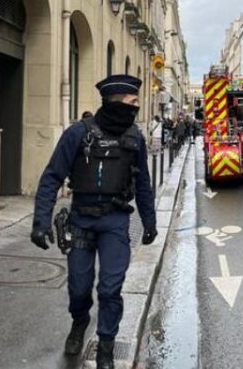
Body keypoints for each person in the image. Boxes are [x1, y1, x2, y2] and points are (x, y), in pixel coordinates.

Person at [30, 74, 158, 369]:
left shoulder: (134, 138)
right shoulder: (78, 133)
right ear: (117, 102)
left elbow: (143, 185)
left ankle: (106, 348)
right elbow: (52, 177)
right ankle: (79, 320)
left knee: (110, 288)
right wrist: (41, 221)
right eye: (132, 102)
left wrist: (149, 222)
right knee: (78, 287)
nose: (136, 107)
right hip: (81, 220)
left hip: (115, 221)